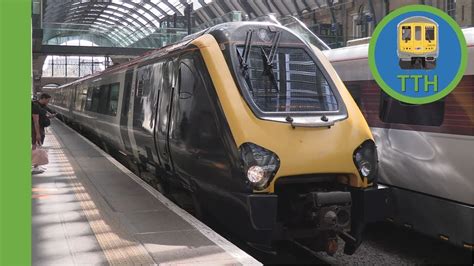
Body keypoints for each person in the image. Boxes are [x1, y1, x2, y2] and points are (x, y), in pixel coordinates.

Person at [32, 93, 55, 174]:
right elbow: (35, 121)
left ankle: (37, 165)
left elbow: (41, 117)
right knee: (35, 146)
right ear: (43, 98)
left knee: (38, 145)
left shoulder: (41, 106)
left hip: (40, 128)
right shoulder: (35, 106)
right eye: (47, 100)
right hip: (36, 129)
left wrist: (48, 117)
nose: (48, 102)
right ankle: (35, 166)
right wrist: (37, 133)